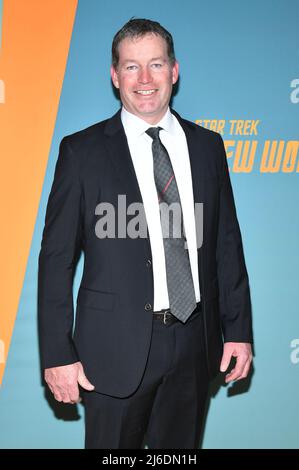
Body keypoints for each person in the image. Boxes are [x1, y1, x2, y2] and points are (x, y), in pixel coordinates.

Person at [38, 18, 253, 449]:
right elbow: (56, 260)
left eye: (156, 64)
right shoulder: (81, 152)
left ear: (175, 70)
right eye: (132, 66)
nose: (145, 79)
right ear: (115, 76)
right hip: (112, 350)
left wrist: (239, 330)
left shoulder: (208, 147)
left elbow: (227, 245)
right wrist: (58, 353)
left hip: (196, 343)